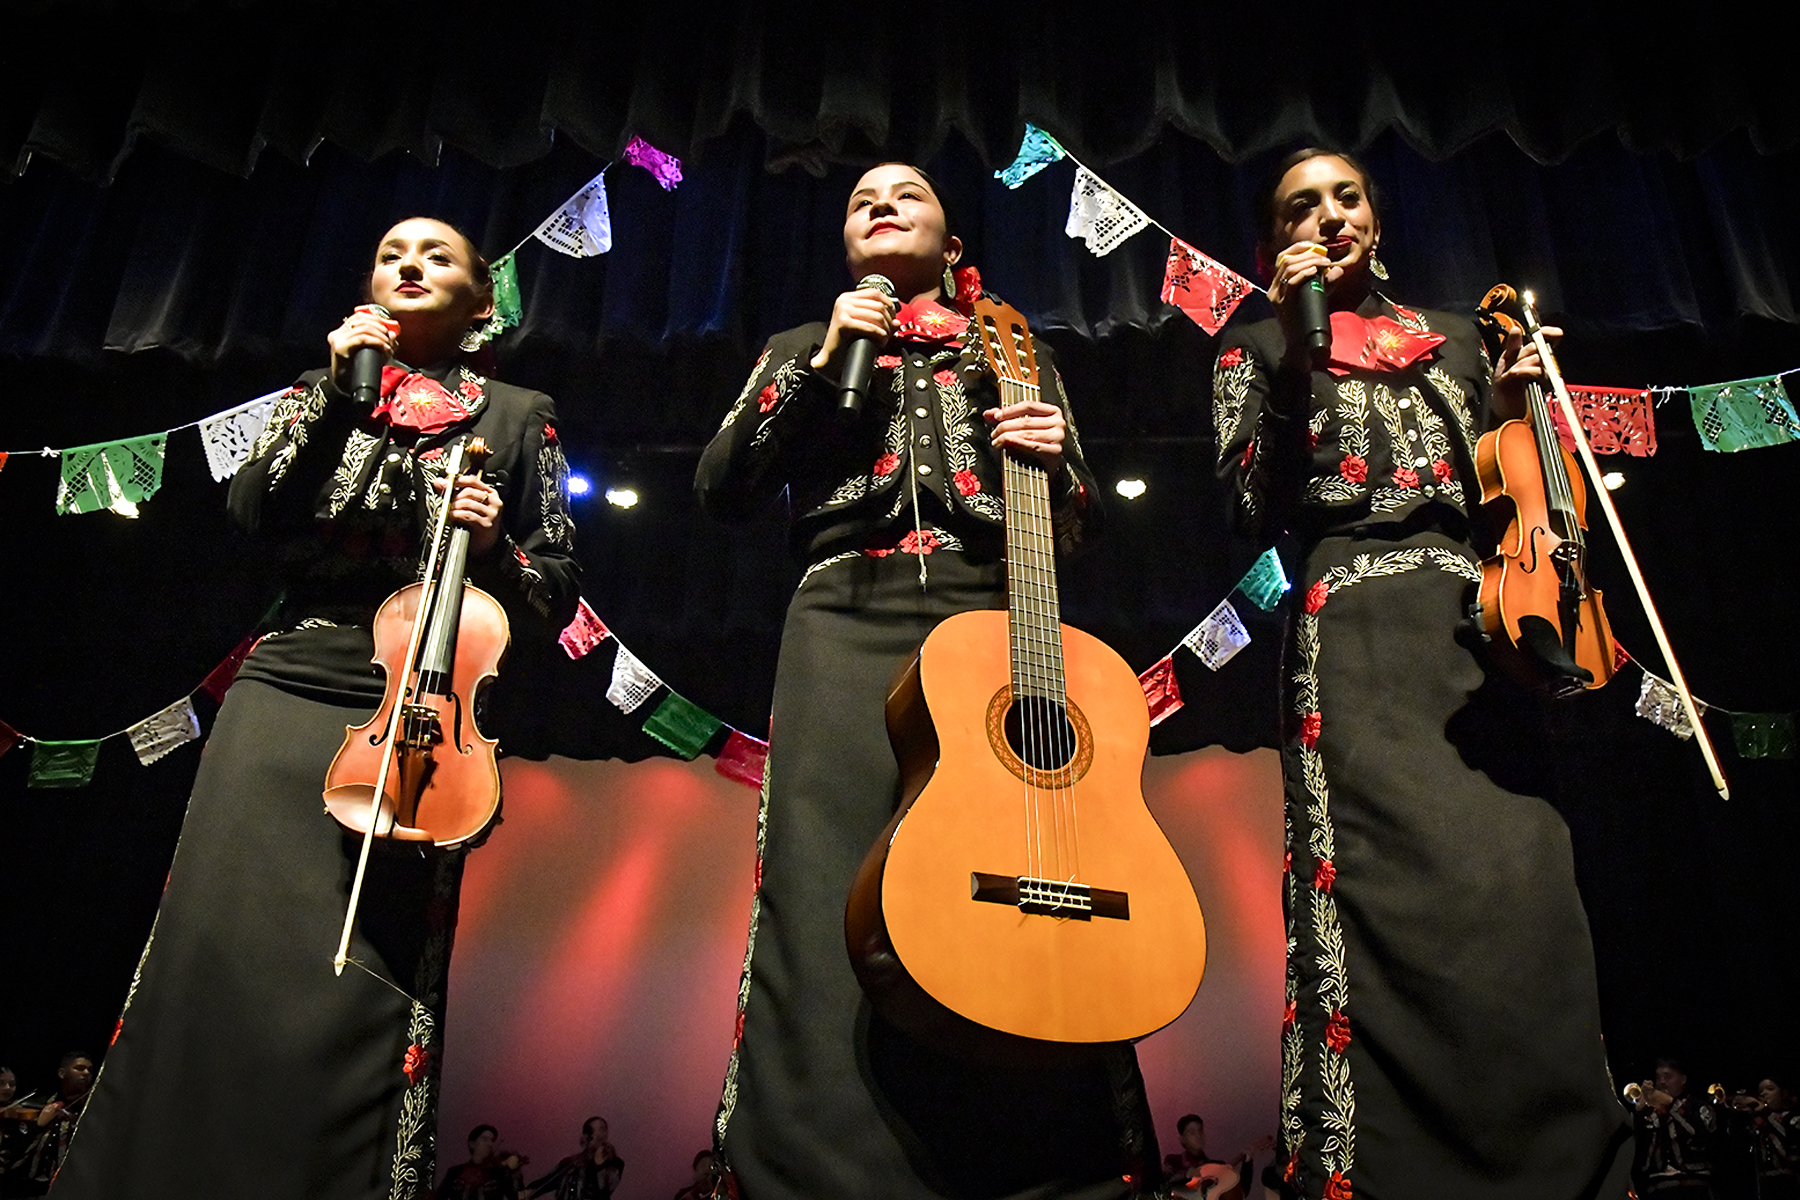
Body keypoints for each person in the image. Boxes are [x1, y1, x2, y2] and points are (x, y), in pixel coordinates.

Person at [52, 218, 579, 1200]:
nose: (409, 264)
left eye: (438, 256)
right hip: (286, 689)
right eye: (389, 254)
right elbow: (253, 515)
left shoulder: (518, 415)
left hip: (422, 711)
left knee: (367, 970)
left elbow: (553, 592)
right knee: (220, 948)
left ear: (478, 303)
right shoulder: (317, 391)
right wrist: (341, 401)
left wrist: (500, 546)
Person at [696, 162, 1153, 1200]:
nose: (881, 203)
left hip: (993, 620)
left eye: (907, 193)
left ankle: (1039, 1153)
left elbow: (1079, 522)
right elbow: (723, 486)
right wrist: (824, 358)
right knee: (826, 876)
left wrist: (1057, 464)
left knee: (1011, 873)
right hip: (841, 615)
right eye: (861, 200)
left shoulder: (1013, 349)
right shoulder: (796, 350)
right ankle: (819, 1167)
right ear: (847, 248)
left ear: (953, 246)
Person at [1210, 148, 1634, 1198]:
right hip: (1351, 631)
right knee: (1379, 898)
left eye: (1345, 196)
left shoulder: (1454, 339)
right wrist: (1296, 358)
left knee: (1523, 888)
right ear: (1273, 245)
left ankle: (1562, 1165)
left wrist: (1518, 412)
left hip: (1479, 627)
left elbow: (1518, 495)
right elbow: (1241, 510)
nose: (1328, 215)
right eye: (1301, 206)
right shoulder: (1252, 345)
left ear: (1375, 218)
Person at [1630, 1058, 1720, 1198]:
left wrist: (1670, 1104)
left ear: (1683, 1080)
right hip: (1657, 1187)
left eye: (1667, 1077)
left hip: (1694, 1184)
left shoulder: (1698, 1106)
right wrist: (1638, 1110)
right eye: (1658, 1077)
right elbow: (1633, 1146)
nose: (1661, 1082)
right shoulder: (1649, 1112)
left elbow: (1702, 1135)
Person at [523, 1117, 622, 1200]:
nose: (598, 1135)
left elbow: (603, 1192)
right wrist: (528, 1191)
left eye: (602, 1129)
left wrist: (598, 1166)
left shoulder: (614, 1164)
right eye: (592, 1131)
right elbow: (549, 1181)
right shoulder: (572, 1163)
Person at [434, 1125, 523, 1200]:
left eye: (492, 1140)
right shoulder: (455, 1172)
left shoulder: (499, 1174)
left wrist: (513, 1171)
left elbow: (517, 1196)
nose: (489, 1144)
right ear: (472, 1143)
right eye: (485, 1139)